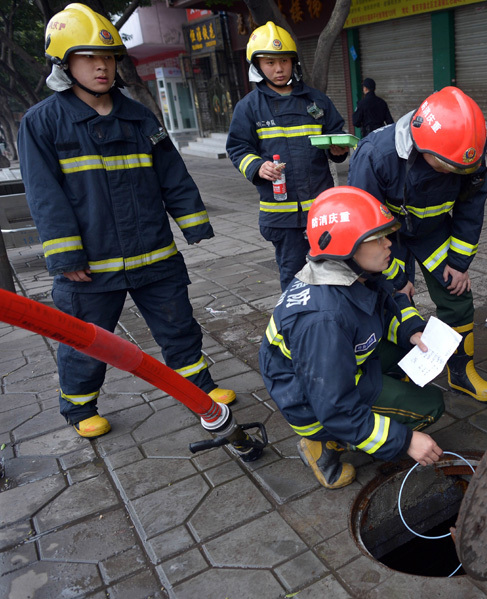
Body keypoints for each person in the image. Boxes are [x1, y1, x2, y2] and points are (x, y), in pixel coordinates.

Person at [18, 3, 234, 438]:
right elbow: (44, 196)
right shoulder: (42, 123)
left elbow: (171, 172)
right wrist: (65, 255)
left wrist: (193, 223)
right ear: (64, 63)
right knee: (85, 341)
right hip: (90, 267)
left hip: (154, 252)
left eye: (109, 58)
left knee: (179, 326)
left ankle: (199, 388)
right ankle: (79, 408)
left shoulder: (138, 115)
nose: (102, 67)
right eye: (88, 59)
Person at [259, 186, 445, 489]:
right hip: (313, 402)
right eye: (378, 238)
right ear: (347, 245)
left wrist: (413, 333)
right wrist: (406, 440)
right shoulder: (322, 319)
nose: (389, 245)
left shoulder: (352, 272)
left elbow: (388, 303)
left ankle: (376, 408)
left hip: (338, 369)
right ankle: (325, 445)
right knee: (432, 406)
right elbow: (334, 406)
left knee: (411, 358)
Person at [347, 86, 487, 404]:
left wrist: (459, 262)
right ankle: (403, 373)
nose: (453, 173)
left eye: (460, 169)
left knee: (457, 294)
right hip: (386, 237)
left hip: (432, 232)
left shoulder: (466, 151)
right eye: (445, 165)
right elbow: (364, 226)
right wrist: (395, 278)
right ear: (421, 144)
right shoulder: (376, 155)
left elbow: (471, 207)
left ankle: (460, 372)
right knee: (393, 300)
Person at [226, 22, 350, 291]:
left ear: (294, 63)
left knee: (333, 272)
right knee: (294, 280)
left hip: (321, 211)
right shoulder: (249, 108)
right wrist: (257, 167)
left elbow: (334, 136)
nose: (279, 69)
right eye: (270, 62)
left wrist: (339, 149)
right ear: (257, 66)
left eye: (284, 60)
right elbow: (237, 148)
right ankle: (296, 329)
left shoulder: (316, 101)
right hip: (282, 215)